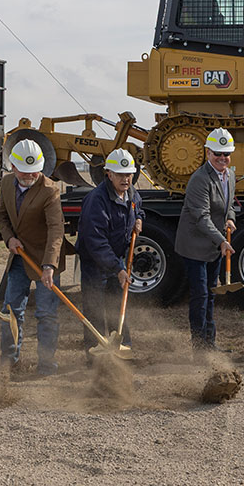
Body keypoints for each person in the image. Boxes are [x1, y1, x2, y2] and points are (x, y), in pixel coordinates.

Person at [0, 138, 65, 375]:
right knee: (11, 311)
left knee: (46, 313)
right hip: (20, 257)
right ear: (12, 167)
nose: (30, 177)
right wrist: (9, 239)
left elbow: (56, 229)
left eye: (34, 173)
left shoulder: (50, 189)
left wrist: (48, 266)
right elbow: (1, 217)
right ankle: (10, 362)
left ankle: (46, 366)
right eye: (24, 172)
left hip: (47, 258)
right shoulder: (5, 184)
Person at [76, 148, 143, 358]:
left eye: (129, 174)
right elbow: (96, 241)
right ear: (109, 174)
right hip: (95, 263)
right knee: (95, 310)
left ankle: (122, 351)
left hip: (117, 259)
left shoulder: (131, 193)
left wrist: (139, 219)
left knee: (118, 306)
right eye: (121, 174)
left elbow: (139, 208)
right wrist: (118, 268)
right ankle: (95, 357)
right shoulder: (96, 200)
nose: (126, 178)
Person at [176, 128, 237, 350]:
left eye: (226, 154)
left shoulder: (229, 175)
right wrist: (222, 240)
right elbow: (201, 217)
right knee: (200, 295)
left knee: (211, 293)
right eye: (217, 153)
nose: (222, 158)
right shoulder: (200, 179)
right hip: (195, 245)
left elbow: (229, 205)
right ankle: (199, 347)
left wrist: (230, 218)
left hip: (214, 244)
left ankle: (210, 343)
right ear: (208, 152)